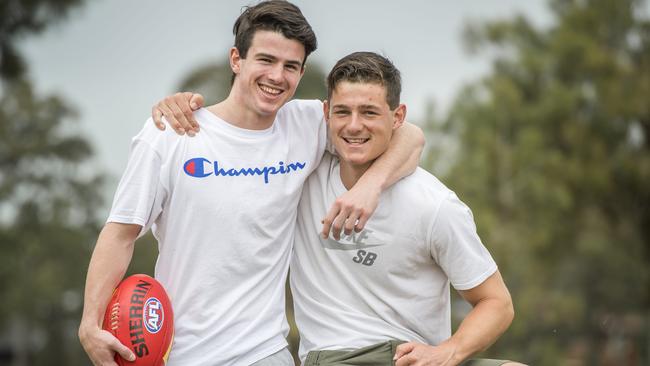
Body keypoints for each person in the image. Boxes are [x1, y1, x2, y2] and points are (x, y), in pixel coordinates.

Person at [78, 2, 423, 366]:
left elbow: (410, 135)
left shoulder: (306, 124)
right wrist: (89, 322)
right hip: (179, 353)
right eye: (266, 60)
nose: (277, 76)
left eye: (291, 66)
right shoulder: (171, 133)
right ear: (236, 59)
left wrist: (371, 186)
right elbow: (121, 233)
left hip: (265, 352)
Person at [290, 52, 522, 366]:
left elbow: (496, 303)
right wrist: (198, 108)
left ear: (398, 117)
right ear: (327, 113)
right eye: (342, 112)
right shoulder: (303, 174)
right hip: (335, 357)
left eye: (369, 112)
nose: (354, 125)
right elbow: (240, 130)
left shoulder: (436, 206)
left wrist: (447, 352)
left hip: (410, 358)